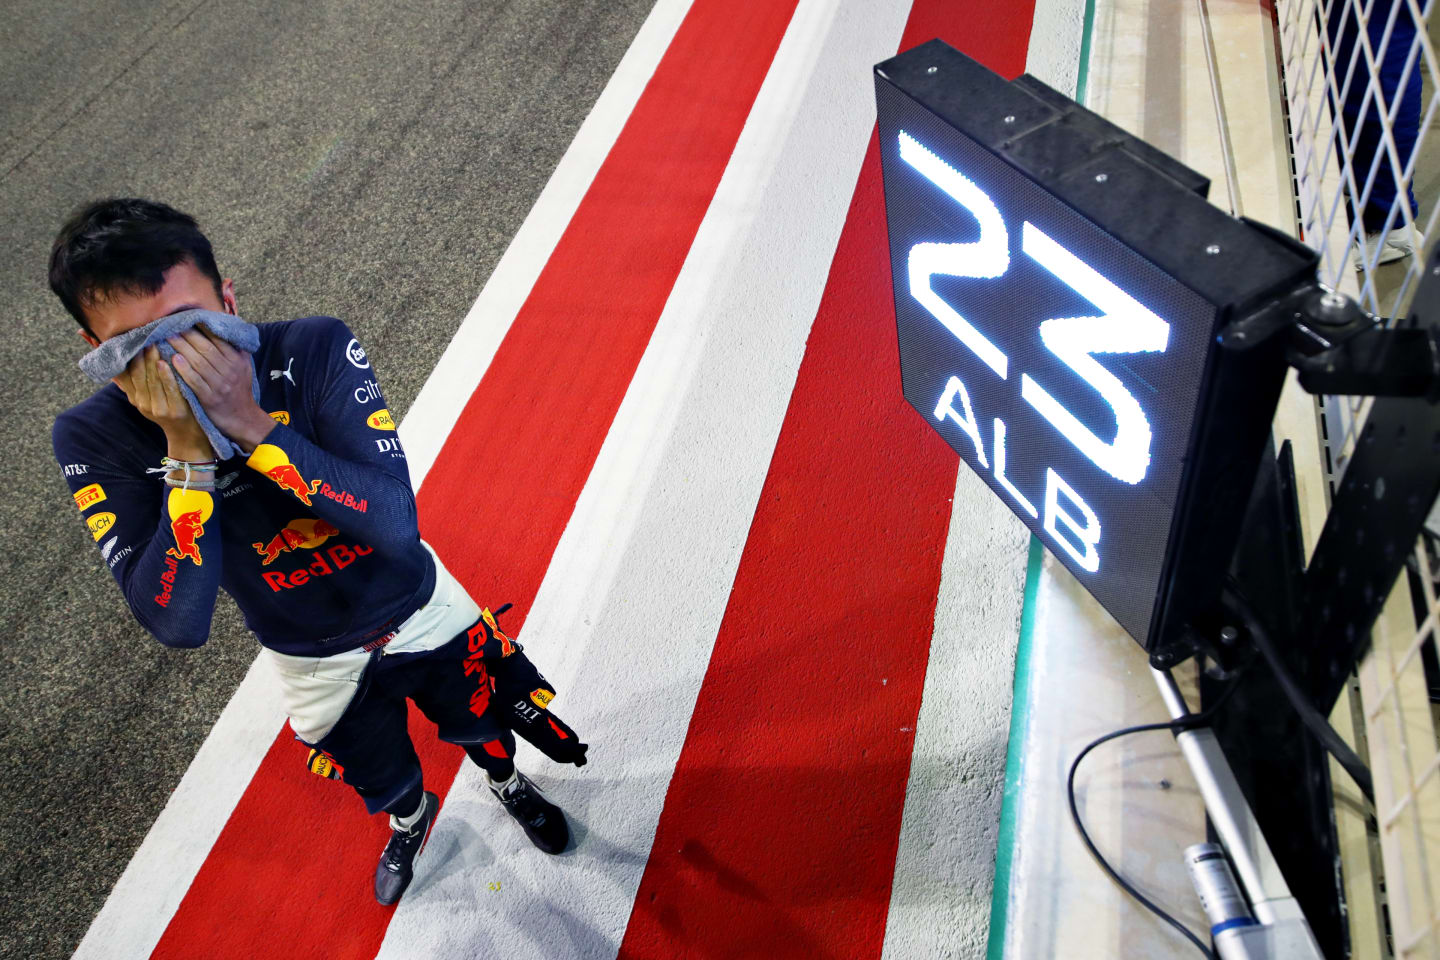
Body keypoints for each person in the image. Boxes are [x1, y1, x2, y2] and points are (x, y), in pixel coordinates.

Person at [48, 198, 587, 907]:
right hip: (308, 654)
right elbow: (178, 623)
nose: (173, 363)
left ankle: (508, 782)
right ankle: (410, 816)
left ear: (229, 298)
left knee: (483, 721)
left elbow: (395, 523)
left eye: (191, 329)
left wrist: (248, 422)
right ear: (94, 346)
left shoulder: (310, 348)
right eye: (136, 348)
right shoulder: (94, 437)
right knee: (381, 770)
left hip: (420, 606)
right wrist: (185, 452)